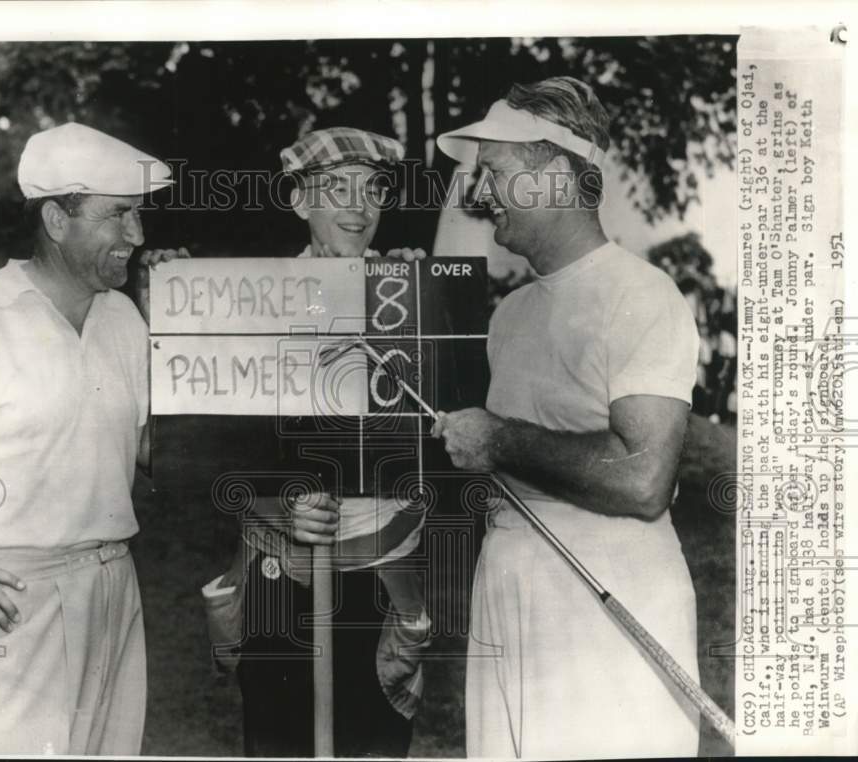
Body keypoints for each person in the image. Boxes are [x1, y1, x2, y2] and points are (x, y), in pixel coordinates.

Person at [0, 122, 183, 755]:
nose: (138, 235)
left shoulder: (125, 316)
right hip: (18, 604)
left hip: (115, 590)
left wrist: (174, 330)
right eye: (119, 215)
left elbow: (148, 456)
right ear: (56, 219)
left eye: (139, 214)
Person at [431, 77, 703, 758]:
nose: (479, 193)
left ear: (554, 175)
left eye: (494, 171)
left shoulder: (642, 294)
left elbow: (644, 480)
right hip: (507, 586)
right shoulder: (509, 314)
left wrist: (499, 440)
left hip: (608, 600)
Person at [206, 127, 430, 757]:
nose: (359, 207)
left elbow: (445, 439)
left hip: (379, 569)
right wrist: (277, 504)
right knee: (277, 738)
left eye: (373, 189)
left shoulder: (410, 290)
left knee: (374, 740)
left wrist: (427, 300)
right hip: (281, 570)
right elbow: (218, 443)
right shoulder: (254, 300)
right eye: (337, 189)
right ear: (300, 201)